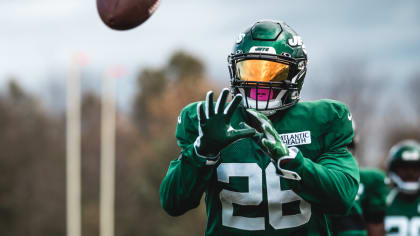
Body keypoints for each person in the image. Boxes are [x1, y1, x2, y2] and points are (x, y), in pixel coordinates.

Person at [159, 20, 359, 235]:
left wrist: (294, 163)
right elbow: (173, 203)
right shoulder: (210, 120)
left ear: (296, 73)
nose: (260, 84)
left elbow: (342, 199)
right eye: (250, 71)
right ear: (234, 70)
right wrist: (201, 153)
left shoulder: (323, 120)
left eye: (274, 73)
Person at [330, 121, 388, 236]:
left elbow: (375, 226)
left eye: (348, 145)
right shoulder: (309, 174)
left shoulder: (371, 180)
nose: (344, 150)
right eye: (338, 145)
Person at [385, 140, 420, 235]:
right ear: (393, 169)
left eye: (416, 168)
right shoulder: (382, 201)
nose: (410, 173)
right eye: (404, 168)